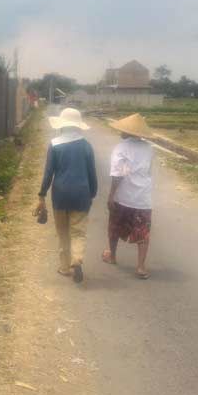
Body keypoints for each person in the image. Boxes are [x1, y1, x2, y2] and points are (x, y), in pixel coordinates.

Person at [35, 108, 98, 283]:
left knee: (63, 232)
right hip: (81, 194)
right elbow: (92, 173)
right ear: (78, 126)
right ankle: (76, 259)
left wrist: (41, 194)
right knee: (78, 232)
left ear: (62, 125)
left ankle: (64, 267)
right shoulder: (86, 146)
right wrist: (92, 193)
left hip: (60, 194)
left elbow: (48, 173)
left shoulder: (54, 144)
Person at [102, 113, 154, 279]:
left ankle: (112, 256)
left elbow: (118, 174)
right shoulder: (149, 148)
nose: (120, 132)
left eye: (122, 130)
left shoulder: (121, 148)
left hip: (123, 196)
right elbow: (148, 171)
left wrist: (111, 195)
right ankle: (140, 266)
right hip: (143, 197)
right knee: (143, 231)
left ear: (127, 132)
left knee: (115, 226)